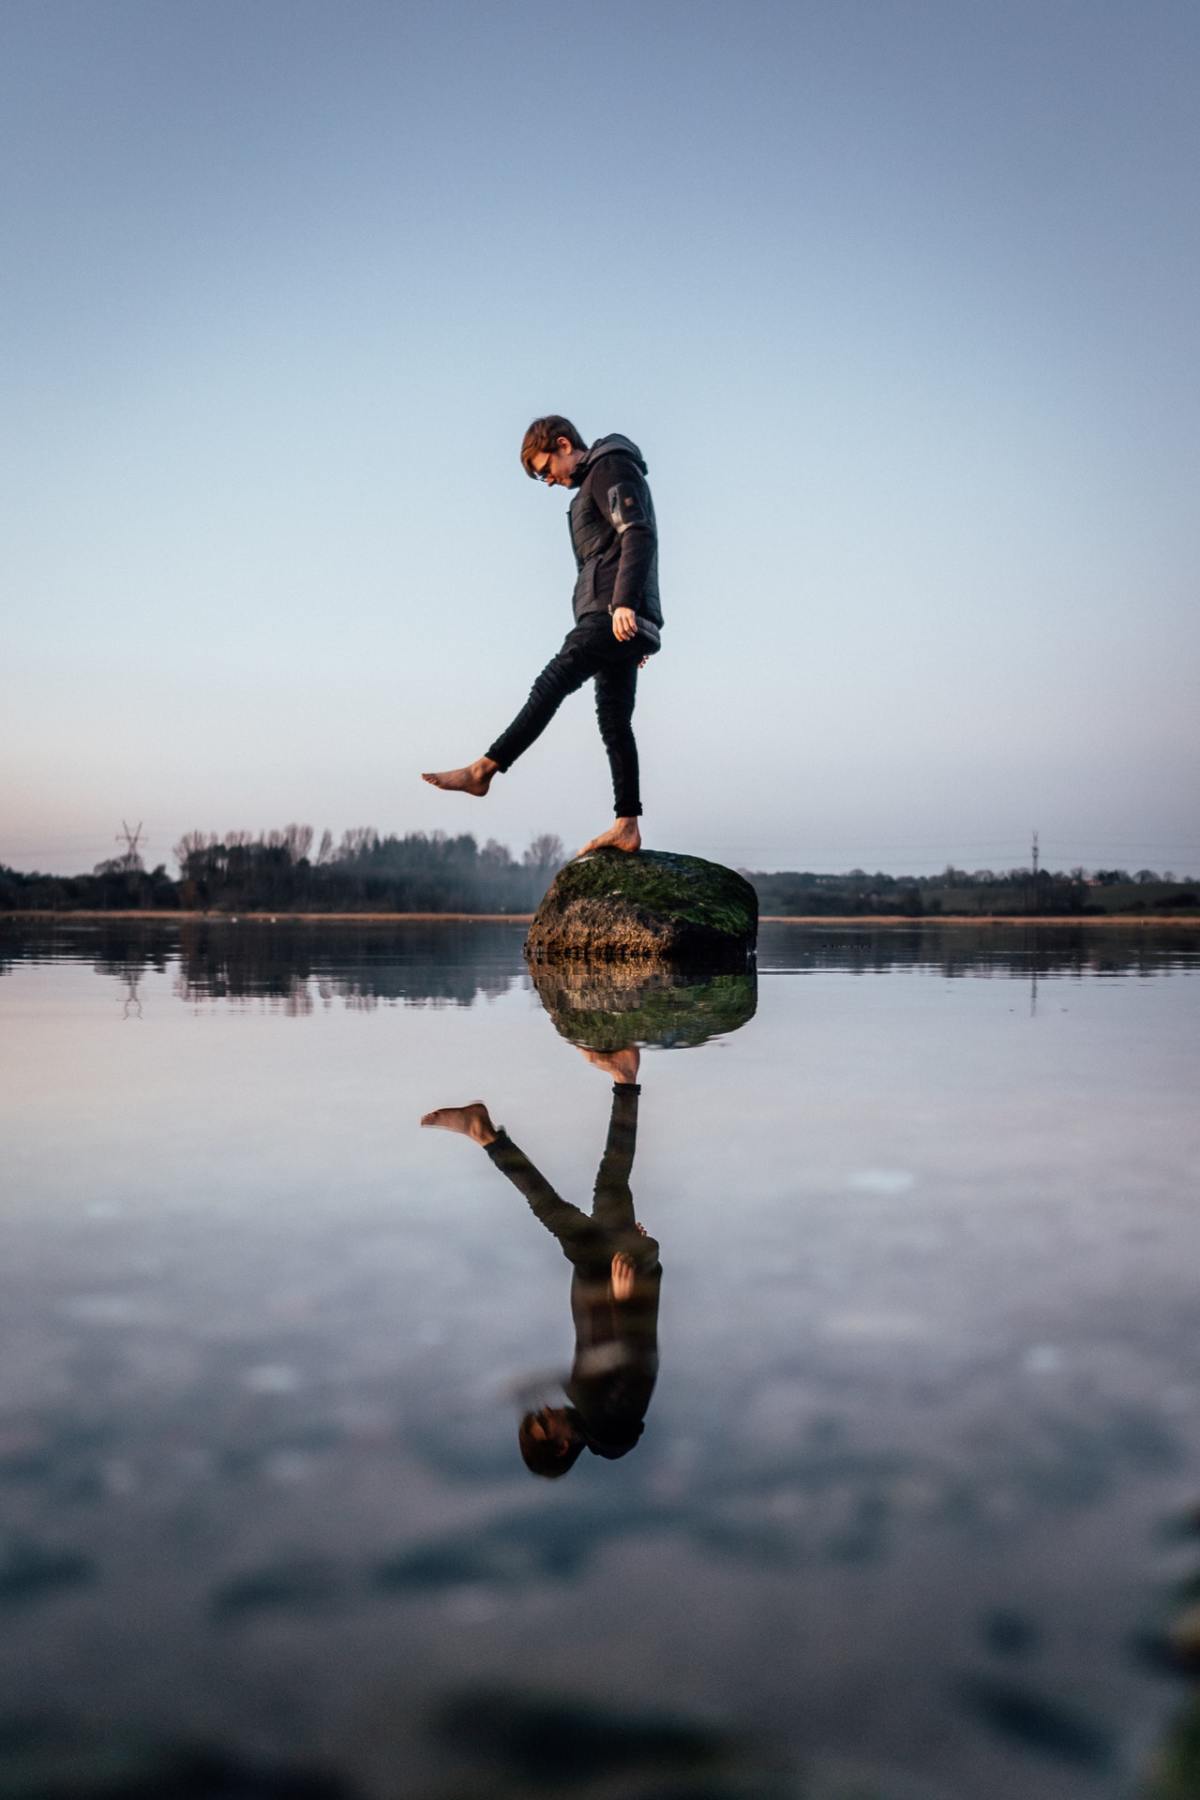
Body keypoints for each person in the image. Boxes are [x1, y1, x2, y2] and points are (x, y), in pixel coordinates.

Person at [422, 416, 664, 857]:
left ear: (563, 444)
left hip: (611, 611)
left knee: (553, 681)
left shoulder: (609, 467)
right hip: (614, 617)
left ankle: (484, 769)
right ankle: (626, 825)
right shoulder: (593, 481)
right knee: (614, 721)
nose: (547, 480)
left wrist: (627, 606)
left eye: (543, 468)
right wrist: (636, 626)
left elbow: (637, 533)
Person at [422, 1044, 661, 1477]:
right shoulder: (609, 1420)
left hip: (605, 1271)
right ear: (561, 1445)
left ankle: (625, 1077)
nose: (544, 1412)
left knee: (610, 1179)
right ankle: (484, 1133)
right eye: (541, 1424)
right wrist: (627, 1299)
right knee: (552, 1209)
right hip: (615, 1277)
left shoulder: (589, 1411)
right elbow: (639, 1364)